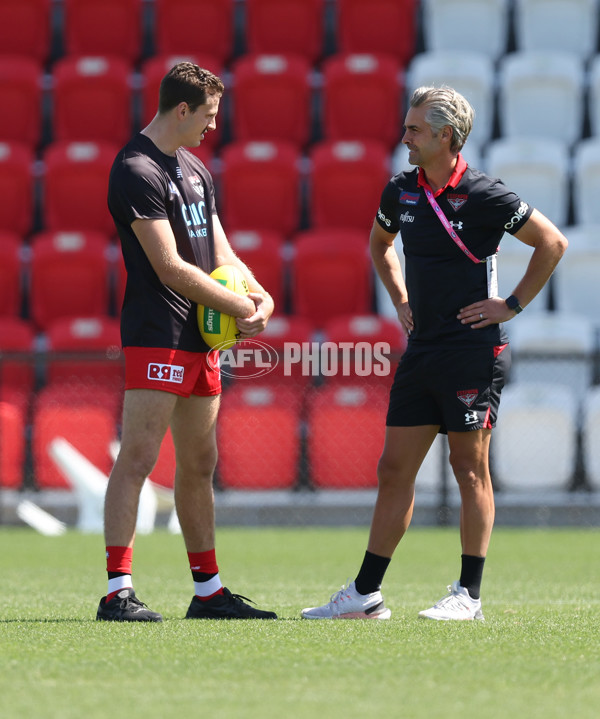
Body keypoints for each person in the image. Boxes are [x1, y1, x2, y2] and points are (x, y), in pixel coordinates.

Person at [301, 86, 568, 621]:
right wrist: (399, 298)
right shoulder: (399, 191)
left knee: (469, 469)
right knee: (393, 468)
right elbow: (379, 245)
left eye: (415, 129)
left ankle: (468, 595)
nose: (405, 137)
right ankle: (366, 594)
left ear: (446, 135)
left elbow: (553, 242)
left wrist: (510, 305)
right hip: (421, 353)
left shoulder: (487, 194)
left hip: (473, 351)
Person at [97, 62, 277, 622]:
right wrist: (239, 309)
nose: (213, 126)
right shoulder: (134, 170)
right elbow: (171, 267)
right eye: (209, 115)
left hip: (202, 338)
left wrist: (259, 294)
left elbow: (219, 251)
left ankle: (208, 591)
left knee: (200, 462)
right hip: (158, 333)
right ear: (182, 110)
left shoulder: (196, 168)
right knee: (139, 458)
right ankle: (117, 590)